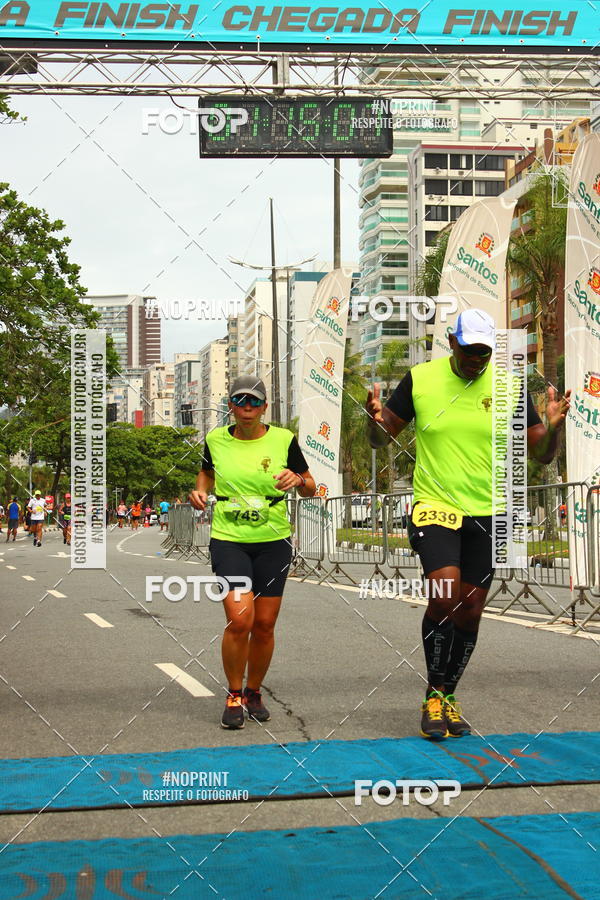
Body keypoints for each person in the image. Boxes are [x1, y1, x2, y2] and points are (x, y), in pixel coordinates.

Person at [366, 309, 571, 741]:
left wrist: (553, 427)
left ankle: (447, 694)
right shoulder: (421, 380)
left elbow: (542, 453)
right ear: (452, 343)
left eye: (485, 352)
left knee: (471, 608)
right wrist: (374, 422)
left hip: (489, 511)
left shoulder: (509, 385)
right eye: (470, 350)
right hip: (435, 506)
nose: (477, 359)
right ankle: (433, 695)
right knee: (444, 594)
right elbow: (383, 436)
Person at [189, 375, 316, 730]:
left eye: (254, 401)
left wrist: (298, 481)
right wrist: (199, 491)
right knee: (240, 619)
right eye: (240, 401)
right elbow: (206, 475)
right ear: (230, 406)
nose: (247, 407)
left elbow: (311, 486)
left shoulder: (284, 440)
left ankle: (254, 691)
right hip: (229, 538)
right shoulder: (215, 440)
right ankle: (233, 694)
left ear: (264, 407)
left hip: (273, 540)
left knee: (264, 625)